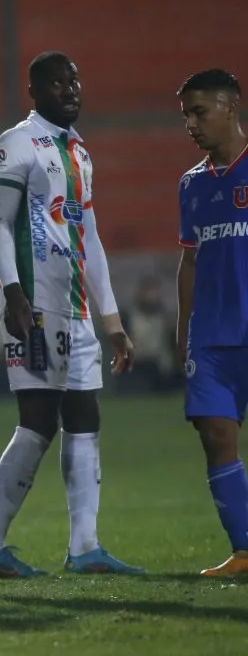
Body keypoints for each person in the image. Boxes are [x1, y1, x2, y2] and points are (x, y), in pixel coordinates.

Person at [0, 51, 142, 577]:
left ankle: (85, 546)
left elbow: (88, 238)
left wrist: (112, 321)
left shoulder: (79, 153)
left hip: (77, 310)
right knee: (39, 420)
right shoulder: (17, 142)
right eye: (56, 82)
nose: (70, 89)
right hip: (36, 306)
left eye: (75, 80)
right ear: (34, 91)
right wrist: (14, 292)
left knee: (85, 415)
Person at [176, 68, 248, 576]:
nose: (191, 124)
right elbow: (190, 261)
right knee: (216, 435)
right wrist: (184, 336)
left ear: (231, 106)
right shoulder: (192, 185)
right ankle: (245, 550)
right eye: (186, 116)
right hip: (213, 338)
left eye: (199, 112)